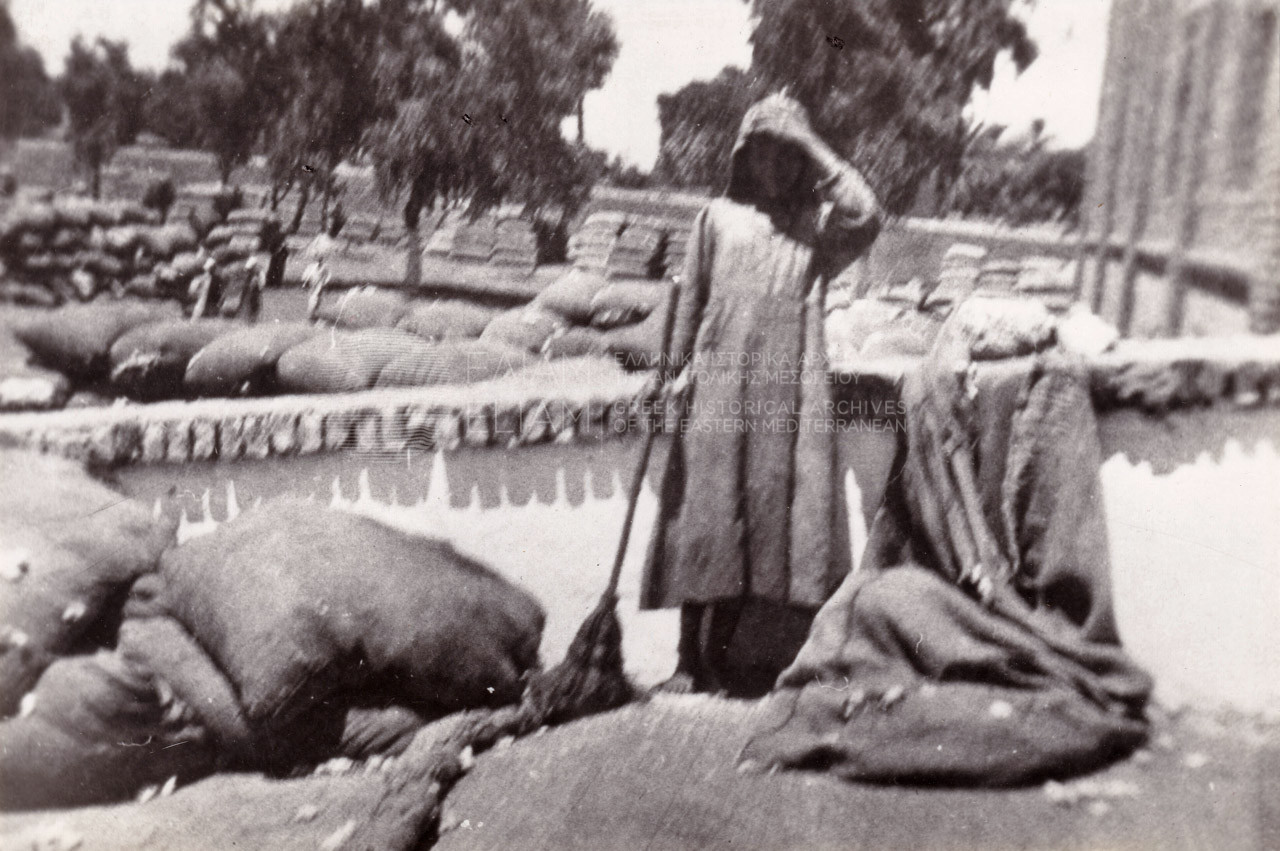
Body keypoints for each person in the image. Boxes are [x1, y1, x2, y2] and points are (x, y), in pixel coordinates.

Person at [639, 93, 883, 694]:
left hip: (784, 391)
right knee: (706, 518)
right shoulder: (715, 219)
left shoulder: (818, 230)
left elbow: (868, 214)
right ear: (744, 160)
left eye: (787, 157)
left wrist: (810, 142)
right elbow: (689, 303)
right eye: (763, 155)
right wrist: (669, 374)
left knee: (767, 519)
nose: (774, 169)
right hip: (717, 385)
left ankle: (727, 662)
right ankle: (688, 664)